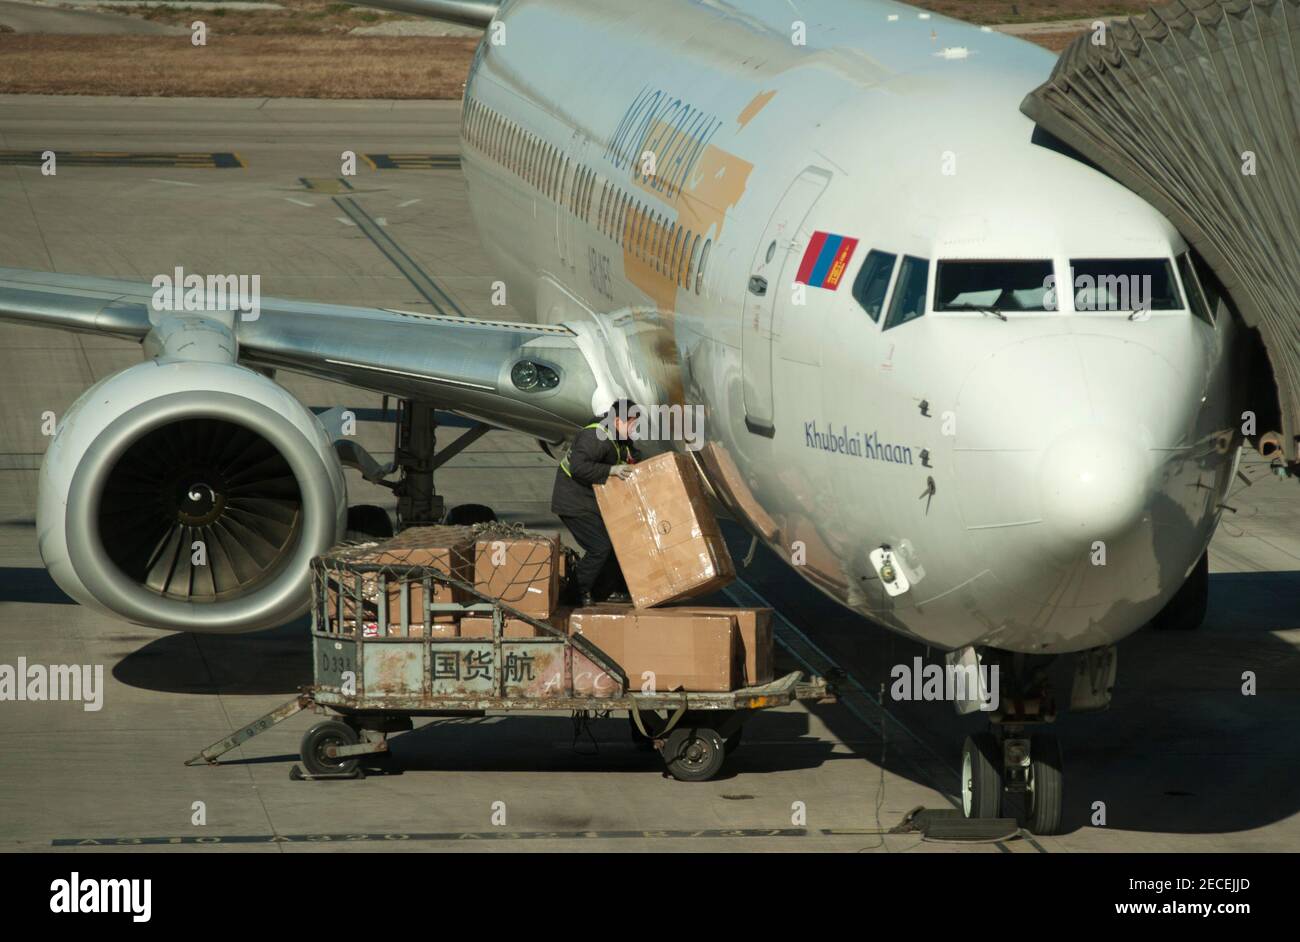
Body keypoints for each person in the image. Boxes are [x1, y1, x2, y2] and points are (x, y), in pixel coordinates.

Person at [551, 399, 642, 606]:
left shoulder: (618, 436)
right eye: (632, 424)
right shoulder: (595, 437)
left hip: (590, 501)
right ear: (618, 420)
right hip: (573, 503)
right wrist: (611, 470)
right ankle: (574, 594)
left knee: (615, 543)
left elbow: (630, 455)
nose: (635, 428)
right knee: (600, 547)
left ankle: (606, 590)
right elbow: (578, 468)